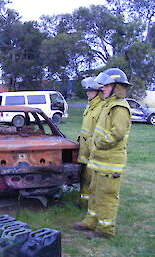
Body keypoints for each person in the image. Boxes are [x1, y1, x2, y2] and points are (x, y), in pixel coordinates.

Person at [74, 68, 131, 239]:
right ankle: (91, 221)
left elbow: (118, 133)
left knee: (107, 196)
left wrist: (98, 143)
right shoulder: (107, 105)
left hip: (110, 162)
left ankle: (105, 230)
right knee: (95, 192)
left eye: (106, 86)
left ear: (116, 87)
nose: (102, 89)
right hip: (99, 160)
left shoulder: (120, 108)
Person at [77, 77, 104, 209]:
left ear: (98, 92)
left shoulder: (101, 108)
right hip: (84, 151)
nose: (87, 93)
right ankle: (84, 204)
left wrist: (93, 148)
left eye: (91, 91)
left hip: (93, 152)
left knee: (92, 180)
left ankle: (93, 207)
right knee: (84, 179)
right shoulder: (90, 107)